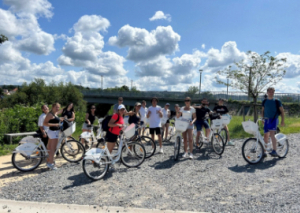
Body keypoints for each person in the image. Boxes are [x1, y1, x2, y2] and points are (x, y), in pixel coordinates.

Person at [261, 87, 285, 157]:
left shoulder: (277, 101)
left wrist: (282, 121)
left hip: (274, 119)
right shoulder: (264, 101)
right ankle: (264, 152)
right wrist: (262, 119)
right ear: (267, 92)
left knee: (272, 134)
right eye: (270, 91)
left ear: (274, 92)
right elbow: (262, 111)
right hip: (266, 120)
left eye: (272, 92)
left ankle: (274, 150)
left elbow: (282, 112)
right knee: (265, 135)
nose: (271, 93)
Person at [43, 103, 64, 170]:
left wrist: (60, 119)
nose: (57, 109)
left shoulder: (54, 113)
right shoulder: (50, 114)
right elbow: (44, 123)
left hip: (53, 132)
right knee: (52, 149)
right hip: (53, 133)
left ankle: (49, 161)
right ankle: (51, 164)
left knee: (49, 148)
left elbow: (55, 118)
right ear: (52, 107)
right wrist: (55, 124)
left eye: (58, 107)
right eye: (56, 107)